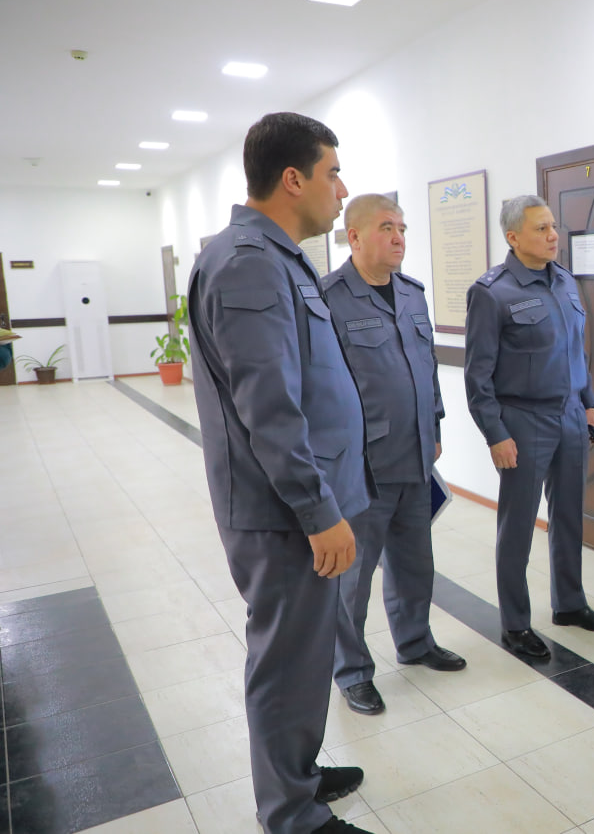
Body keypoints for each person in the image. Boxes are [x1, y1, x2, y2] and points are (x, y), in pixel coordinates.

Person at [187, 112, 374, 834]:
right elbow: (270, 409)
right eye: (334, 173)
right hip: (283, 513)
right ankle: (291, 813)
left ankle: (298, 772)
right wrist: (319, 512)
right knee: (287, 659)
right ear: (293, 179)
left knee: (305, 653)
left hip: (302, 502)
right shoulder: (248, 264)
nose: (342, 189)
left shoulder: (278, 257)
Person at [321, 194, 466, 717]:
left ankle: (415, 641)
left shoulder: (412, 294)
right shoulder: (328, 298)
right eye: (386, 227)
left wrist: (435, 424)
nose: (399, 237)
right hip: (362, 464)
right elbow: (320, 387)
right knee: (354, 577)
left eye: (402, 227)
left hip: (415, 453)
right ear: (355, 236)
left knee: (414, 561)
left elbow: (426, 367)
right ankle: (352, 671)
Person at [463, 195, 594, 660]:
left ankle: (569, 604)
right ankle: (515, 624)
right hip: (522, 419)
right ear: (513, 237)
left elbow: (576, 354)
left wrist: (589, 405)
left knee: (569, 516)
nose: (553, 236)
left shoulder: (564, 281)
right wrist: (495, 433)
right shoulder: (492, 292)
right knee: (518, 525)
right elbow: (477, 375)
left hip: (570, 414)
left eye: (553, 226)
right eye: (541, 229)